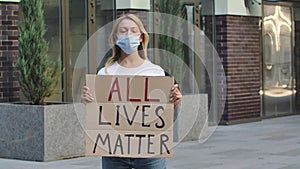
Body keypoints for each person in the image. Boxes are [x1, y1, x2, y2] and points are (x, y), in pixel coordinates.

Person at [82, 14, 182, 169]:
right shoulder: (105, 74)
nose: (128, 35)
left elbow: (161, 116)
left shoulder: (156, 72)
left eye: (133, 31)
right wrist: (88, 102)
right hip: (115, 152)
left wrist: (173, 103)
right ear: (115, 38)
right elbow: (100, 115)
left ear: (141, 37)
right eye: (123, 31)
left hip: (150, 152)